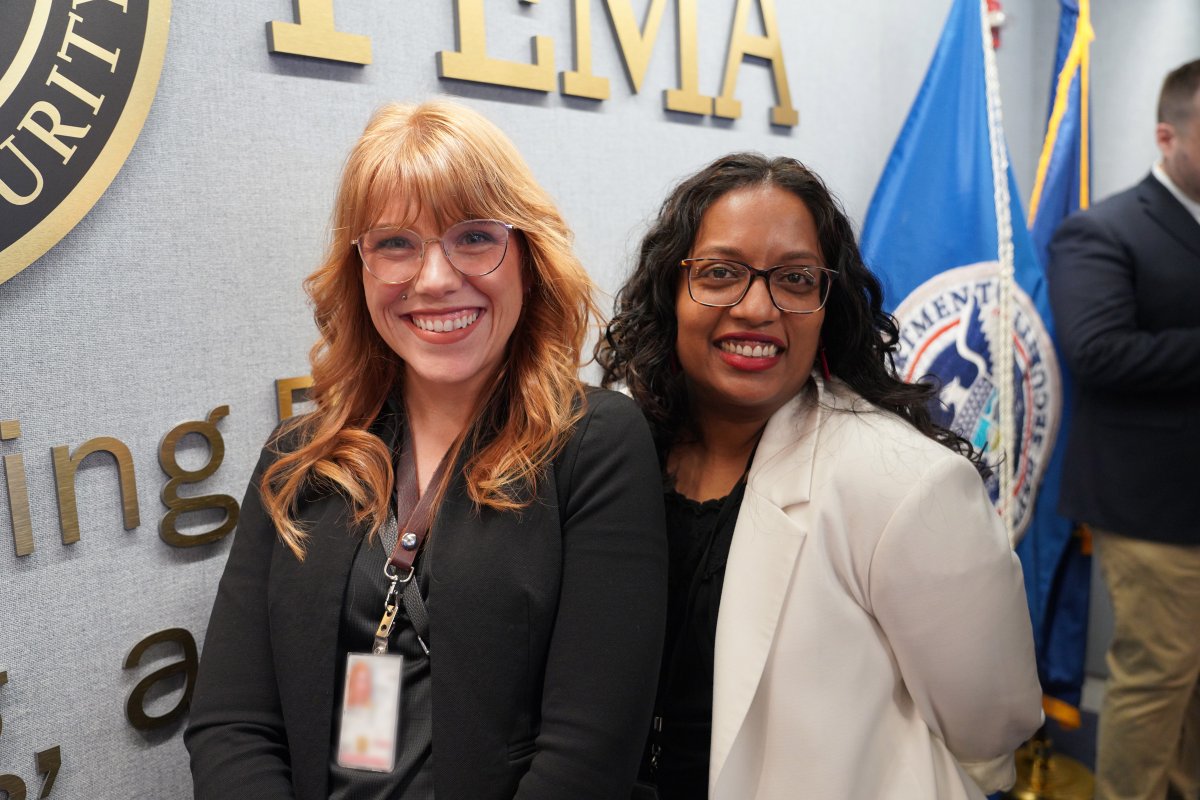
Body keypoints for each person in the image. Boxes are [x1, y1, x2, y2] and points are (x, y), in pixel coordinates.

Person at [185, 99, 668, 800]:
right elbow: (232, 724)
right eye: (395, 244)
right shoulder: (301, 457)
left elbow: (588, 758)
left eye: (474, 237)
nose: (436, 278)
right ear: (359, 270)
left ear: (527, 258)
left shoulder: (595, 444)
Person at [597, 153, 1043, 799]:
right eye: (720, 273)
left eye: (795, 280)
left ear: (827, 305)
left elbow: (992, 721)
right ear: (672, 290)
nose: (756, 308)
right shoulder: (619, 453)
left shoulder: (902, 481)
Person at [1047, 59, 1200, 800]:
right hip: (1153, 508)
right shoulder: (1101, 230)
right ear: (1167, 136)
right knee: (1157, 678)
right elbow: (1099, 352)